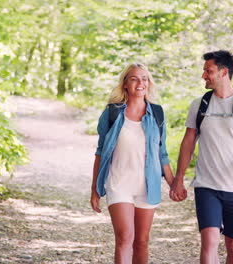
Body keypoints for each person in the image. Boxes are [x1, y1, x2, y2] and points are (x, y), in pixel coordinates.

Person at [170, 50, 233, 264]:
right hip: (207, 185)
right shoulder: (200, 105)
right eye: (204, 70)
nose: (204, 75)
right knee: (210, 241)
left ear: (224, 72)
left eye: (208, 71)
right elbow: (188, 143)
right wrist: (179, 179)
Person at [90, 63, 174, 264]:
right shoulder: (112, 113)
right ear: (125, 84)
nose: (140, 83)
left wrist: (174, 184)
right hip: (119, 184)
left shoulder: (157, 113)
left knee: (142, 241)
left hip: (148, 185)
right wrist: (94, 190)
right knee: (125, 237)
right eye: (134, 78)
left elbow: (162, 153)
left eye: (144, 78)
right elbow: (100, 153)